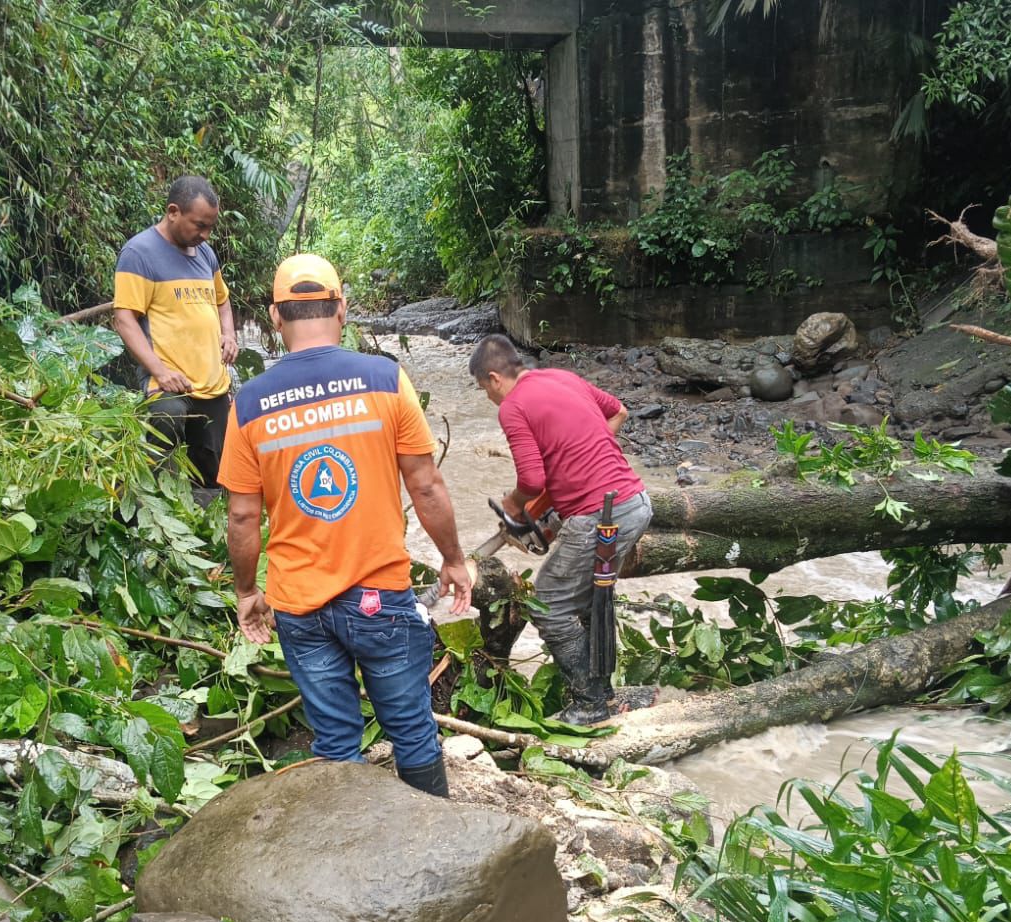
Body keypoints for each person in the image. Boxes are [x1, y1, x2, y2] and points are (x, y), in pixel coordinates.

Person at [219, 254, 473, 797]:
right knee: (410, 730)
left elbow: (242, 515)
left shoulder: (250, 403)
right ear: (341, 307)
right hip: (379, 595)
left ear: (274, 317)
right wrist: (453, 559)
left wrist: (246, 591)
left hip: (300, 605)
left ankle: (349, 866)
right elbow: (425, 486)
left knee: (335, 743)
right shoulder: (386, 378)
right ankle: (438, 854)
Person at [470, 333, 652, 725]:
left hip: (602, 515)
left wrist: (513, 506)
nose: (489, 398)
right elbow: (618, 411)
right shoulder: (561, 378)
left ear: (494, 378)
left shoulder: (513, 406)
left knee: (549, 601)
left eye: (485, 389)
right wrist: (581, 459)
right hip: (634, 503)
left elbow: (532, 480)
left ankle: (588, 704)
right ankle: (604, 696)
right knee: (589, 604)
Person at [112, 175, 238, 491]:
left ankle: (206, 526)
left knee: (215, 470)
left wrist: (229, 334)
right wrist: (160, 371)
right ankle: (155, 517)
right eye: (199, 225)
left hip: (212, 382)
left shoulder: (206, 254)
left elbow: (222, 301)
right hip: (168, 381)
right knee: (165, 429)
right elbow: (124, 320)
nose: (205, 234)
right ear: (173, 212)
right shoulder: (139, 253)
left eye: (210, 226)